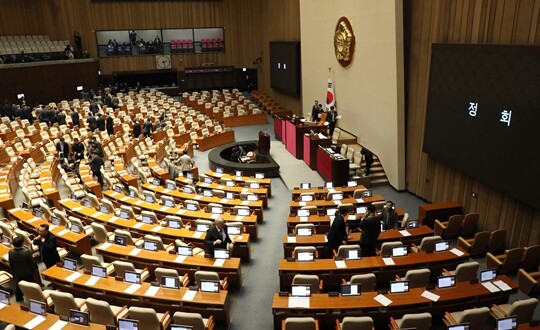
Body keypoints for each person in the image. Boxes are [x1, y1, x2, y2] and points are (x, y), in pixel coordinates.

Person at [9, 235, 39, 302]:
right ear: (22, 243)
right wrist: (36, 268)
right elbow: (32, 262)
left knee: (19, 285)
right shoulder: (26, 252)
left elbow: (11, 263)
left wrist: (13, 271)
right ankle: (33, 298)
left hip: (17, 272)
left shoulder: (10, 252)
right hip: (28, 272)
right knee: (31, 285)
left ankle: (18, 298)